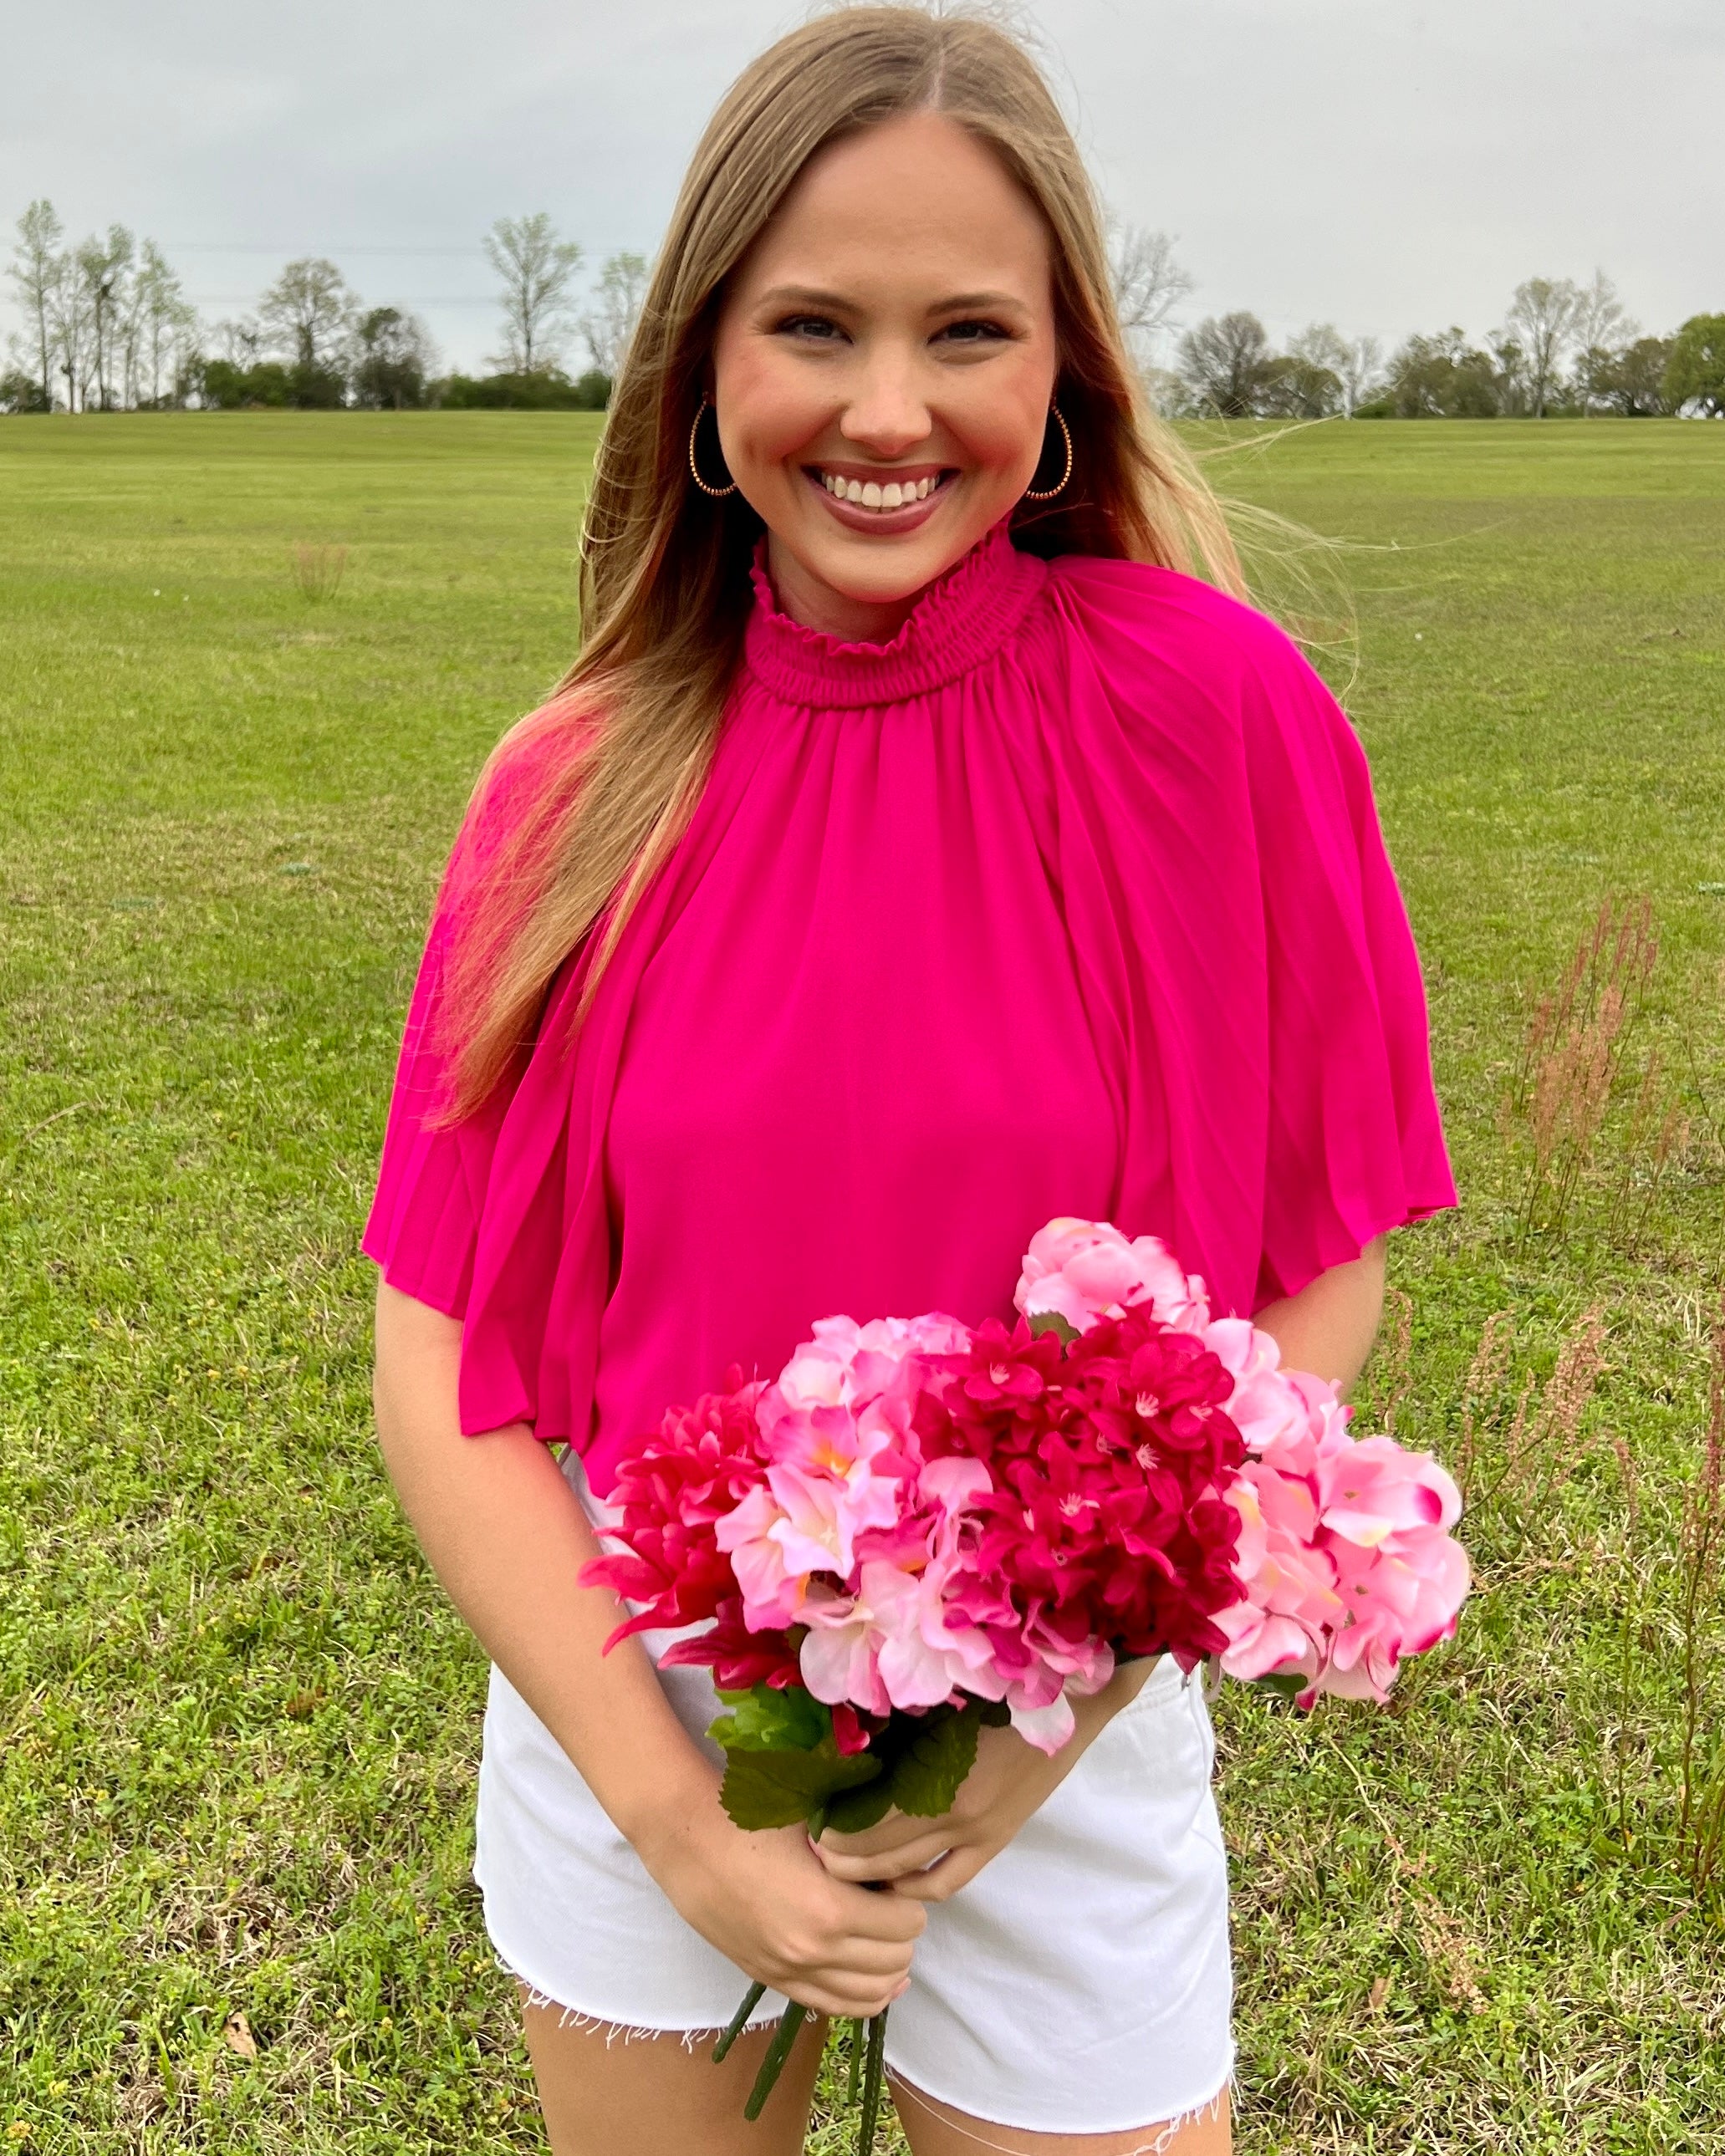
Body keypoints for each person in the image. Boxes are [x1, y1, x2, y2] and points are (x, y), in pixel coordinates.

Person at [365, 8, 1456, 2152]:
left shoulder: (1210, 715)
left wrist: (1033, 1741)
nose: (888, 411)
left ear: (1064, 376)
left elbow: (1310, 1284)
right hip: (645, 1710)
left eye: (967, 330)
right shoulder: (572, 792)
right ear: (701, 369)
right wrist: (685, 1825)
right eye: (810, 327)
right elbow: (441, 1374)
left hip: (1068, 1711)